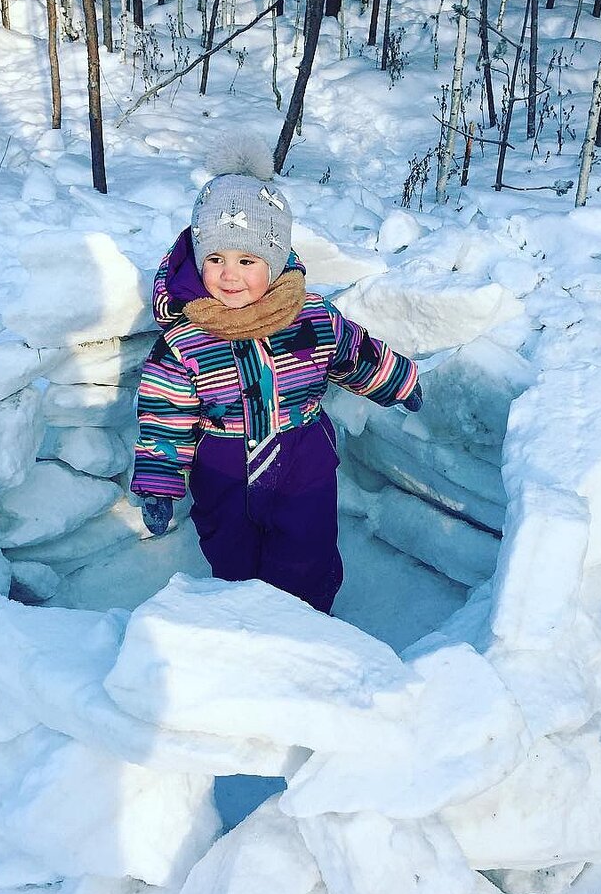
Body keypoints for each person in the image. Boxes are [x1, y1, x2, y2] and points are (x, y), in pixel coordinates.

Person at [130, 137, 422, 615]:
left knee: (307, 556)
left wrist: (400, 382)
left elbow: (354, 353)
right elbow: (164, 419)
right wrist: (159, 487)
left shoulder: (310, 316)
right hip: (222, 469)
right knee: (231, 558)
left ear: (275, 261)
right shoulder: (185, 341)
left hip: (302, 460)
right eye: (216, 259)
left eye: (247, 261)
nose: (229, 275)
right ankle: (247, 628)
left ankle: (307, 628)